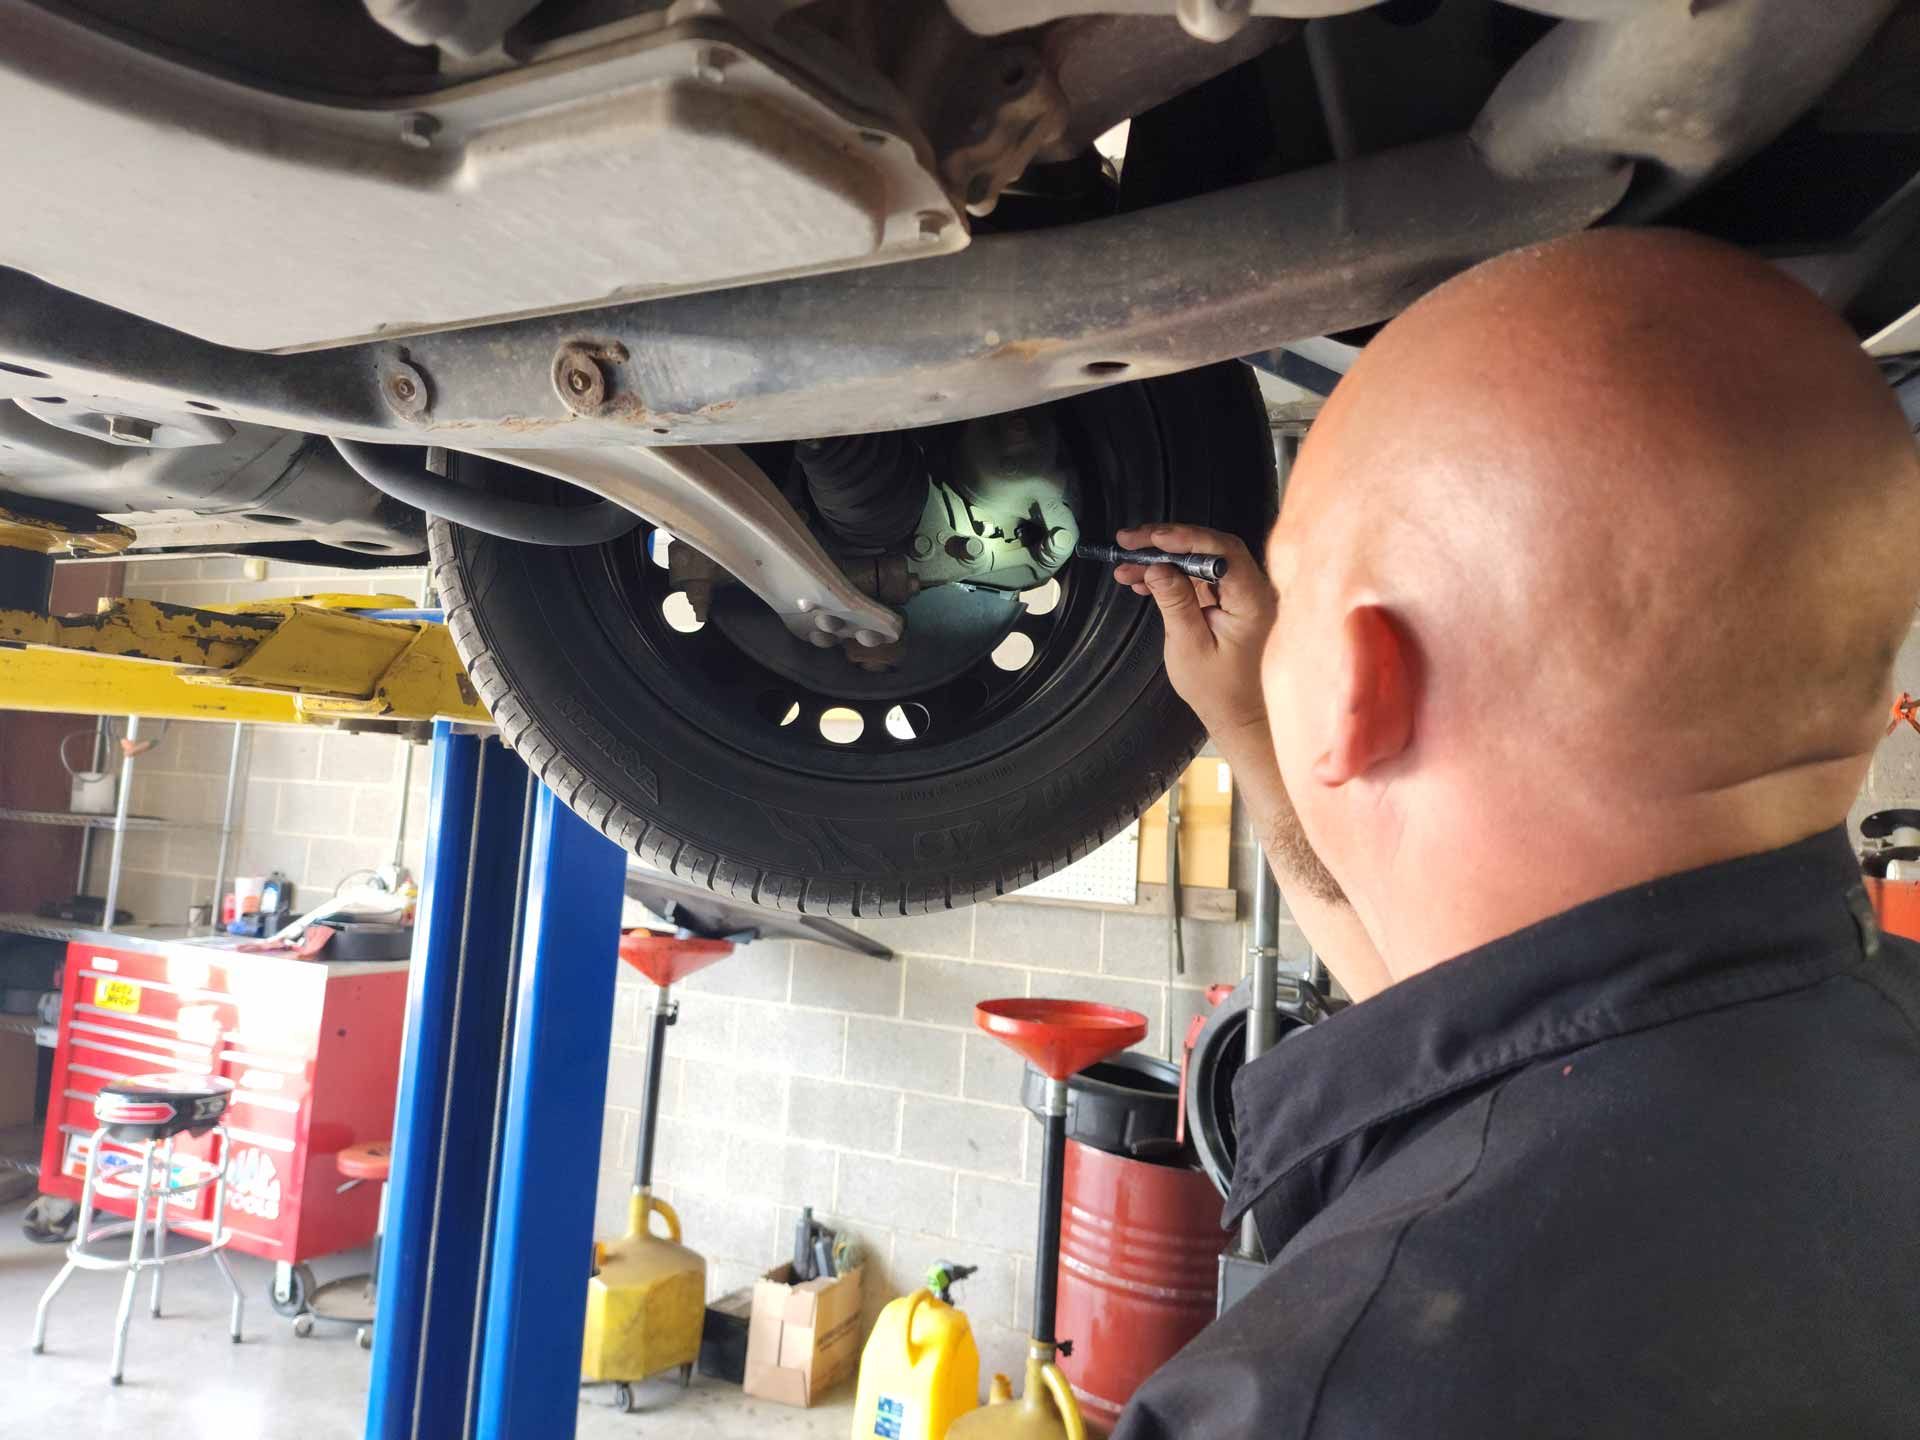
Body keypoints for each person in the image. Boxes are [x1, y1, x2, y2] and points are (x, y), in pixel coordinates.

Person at [1104, 229, 1920, 1436]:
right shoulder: (1851, 1049)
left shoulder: (1318, 1400)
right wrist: (1256, 729)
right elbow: (1477, 1025)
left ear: (1360, 684)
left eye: (1298, 594)